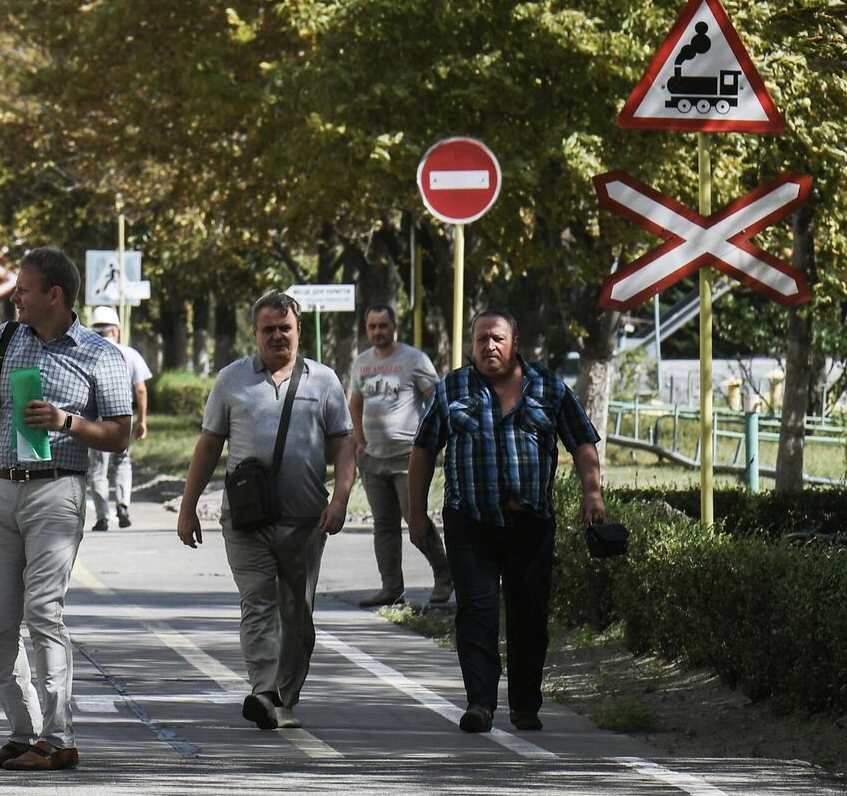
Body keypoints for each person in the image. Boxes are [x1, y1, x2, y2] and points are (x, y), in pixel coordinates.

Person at [0, 247, 132, 771]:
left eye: (23, 288)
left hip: (55, 489)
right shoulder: (6, 338)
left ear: (54, 295)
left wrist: (68, 422)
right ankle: (22, 733)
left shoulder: (99, 354)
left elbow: (119, 434)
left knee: (43, 612)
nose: (14, 296)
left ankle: (58, 737)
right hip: (0, 488)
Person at [410, 311, 606, 735]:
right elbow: (424, 449)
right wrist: (416, 512)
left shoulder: (548, 388)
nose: (489, 347)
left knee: (528, 614)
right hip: (470, 521)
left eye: (497, 339)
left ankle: (525, 705)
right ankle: (480, 703)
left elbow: (582, 440)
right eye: (481, 339)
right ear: (472, 344)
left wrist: (593, 492)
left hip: (530, 523)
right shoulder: (452, 388)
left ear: (514, 343)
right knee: (477, 612)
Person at [177, 291, 355, 732]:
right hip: (245, 520)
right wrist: (188, 507)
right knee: (257, 604)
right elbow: (208, 446)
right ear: (254, 333)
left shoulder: (324, 381)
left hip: (304, 521)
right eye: (268, 329)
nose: (278, 336)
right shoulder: (231, 380)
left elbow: (344, 445)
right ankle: (263, 690)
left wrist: (341, 499)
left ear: (298, 331)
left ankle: (283, 694)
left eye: (285, 328)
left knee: (298, 618)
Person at [349, 304, 452, 607]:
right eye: (372, 326)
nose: (378, 332)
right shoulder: (362, 363)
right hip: (373, 458)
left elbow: (436, 401)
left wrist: (431, 442)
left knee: (415, 520)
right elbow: (354, 402)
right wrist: (359, 440)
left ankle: (444, 575)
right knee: (384, 526)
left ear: (394, 327)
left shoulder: (414, 359)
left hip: (409, 456)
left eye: (383, 325)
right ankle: (391, 587)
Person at [83, 305, 151, 531]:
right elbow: (140, 389)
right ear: (116, 331)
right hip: (123, 416)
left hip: (97, 420)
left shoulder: (86, 354)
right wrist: (141, 420)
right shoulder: (130, 354)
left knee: (98, 468)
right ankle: (122, 505)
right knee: (122, 462)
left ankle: (103, 516)